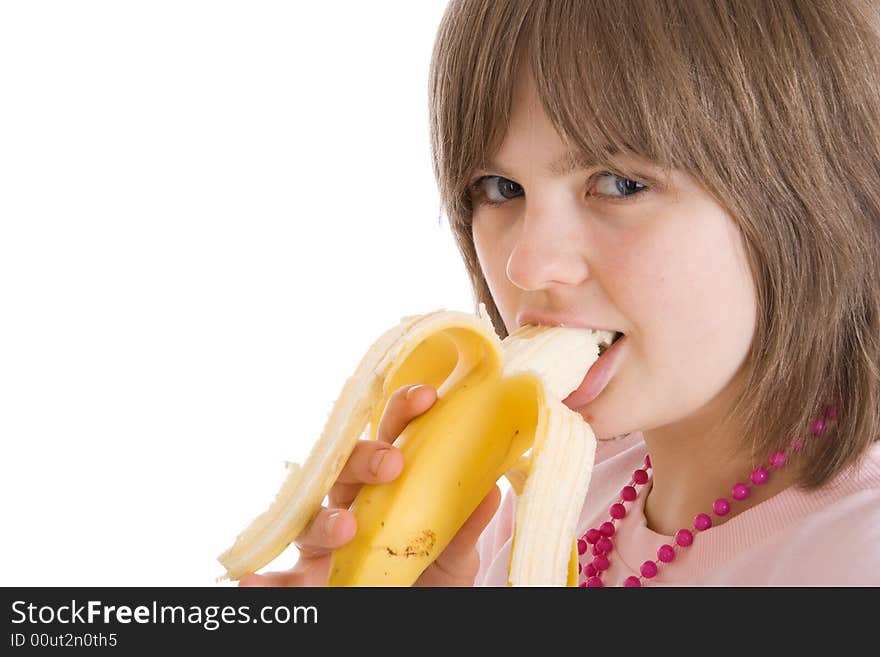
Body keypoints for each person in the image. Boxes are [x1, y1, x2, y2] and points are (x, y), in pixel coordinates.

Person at [240, 0, 880, 587]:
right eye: (499, 189)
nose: (527, 266)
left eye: (621, 184)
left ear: (813, 197)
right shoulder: (547, 501)